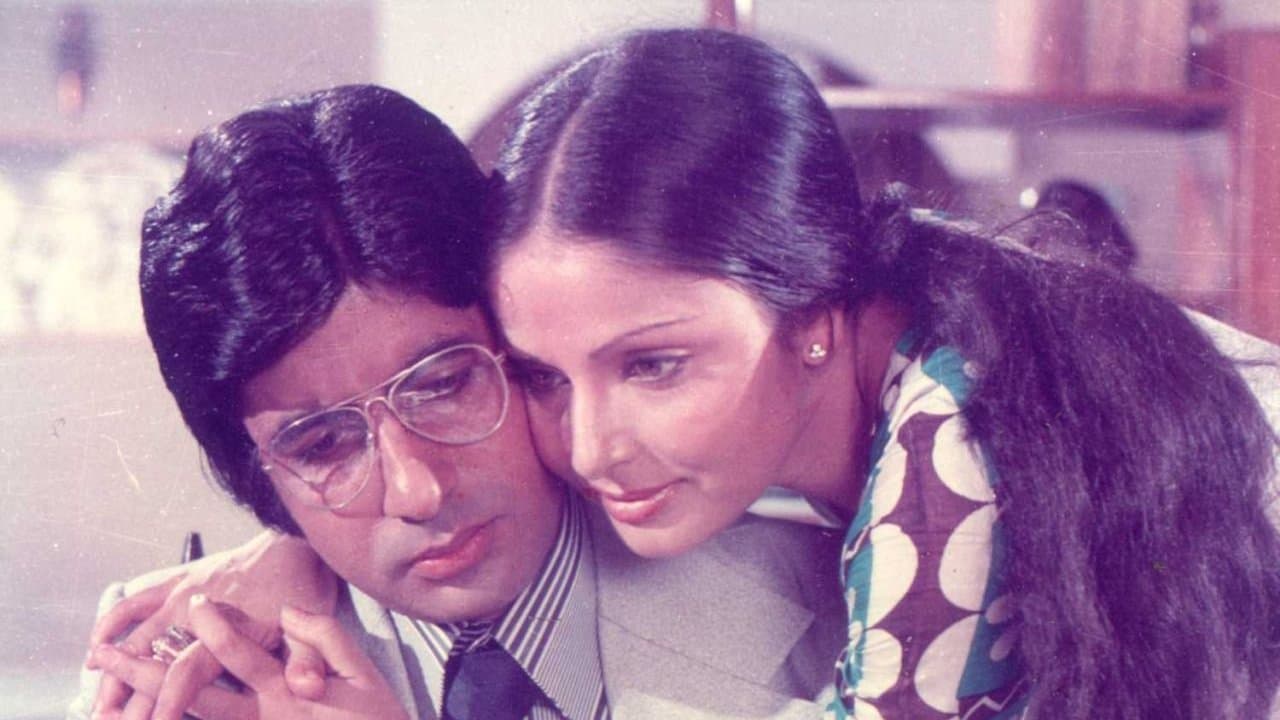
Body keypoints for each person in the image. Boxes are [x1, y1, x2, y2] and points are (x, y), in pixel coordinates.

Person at [91, 30, 1280, 720]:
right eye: (321, 445)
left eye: (446, 382)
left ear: (809, 303)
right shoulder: (220, 657)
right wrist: (291, 546)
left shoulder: (941, 482)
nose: (593, 445)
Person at [479, 29, 1280, 720]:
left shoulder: (950, 454)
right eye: (546, 377)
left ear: (812, 315)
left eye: (653, 365)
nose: (592, 448)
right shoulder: (919, 300)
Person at [73, 83, 845, 720]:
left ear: (522, 342)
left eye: (443, 385)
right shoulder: (180, 667)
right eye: (322, 445)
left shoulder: (832, 604)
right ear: (258, 474)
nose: (419, 491)